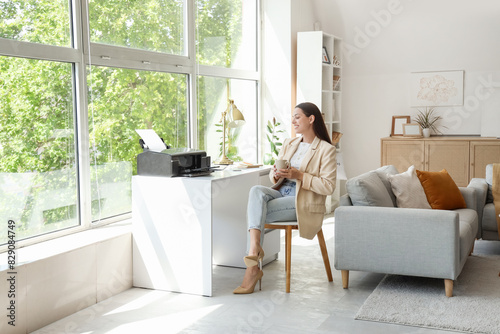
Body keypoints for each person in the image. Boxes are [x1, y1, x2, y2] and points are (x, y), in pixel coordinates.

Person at [233, 102, 337, 294]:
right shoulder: (290, 143)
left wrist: (299, 176)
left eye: (297, 117)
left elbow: (329, 186)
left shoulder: (326, 149)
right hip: (281, 193)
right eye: (293, 117)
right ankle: (255, 251)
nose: (293, 121)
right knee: (256, 190)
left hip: (303, 202)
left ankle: (252, 266)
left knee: (256, 211)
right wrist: (276, 173)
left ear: (311, 119)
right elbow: (274, 178)